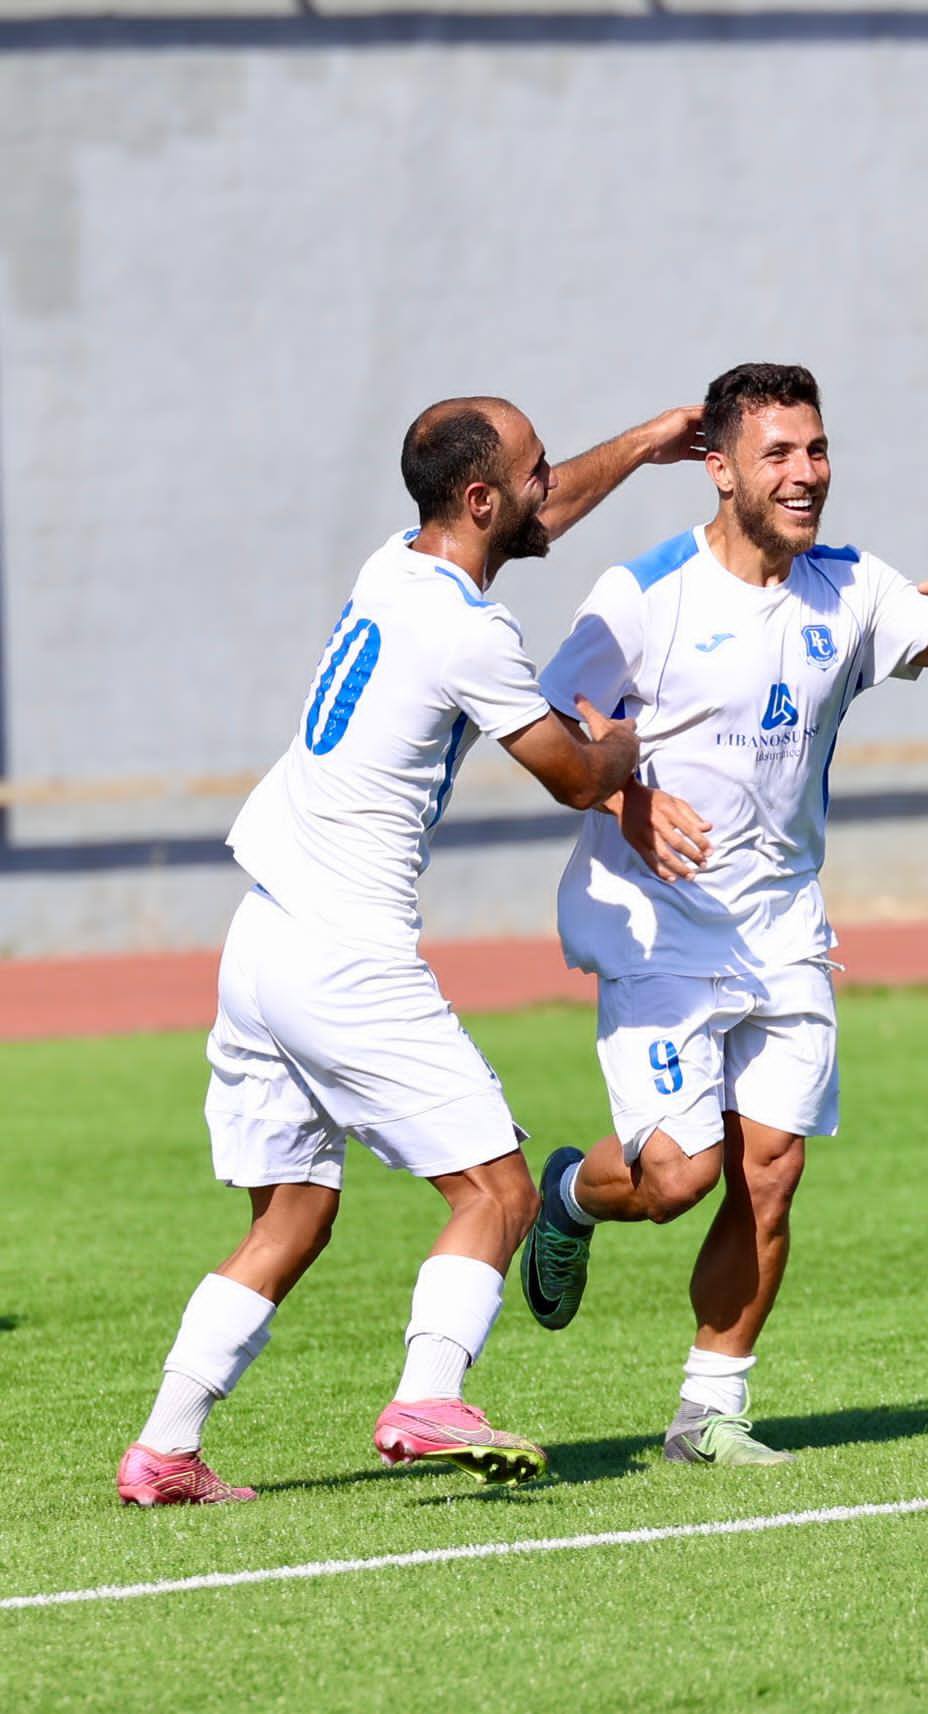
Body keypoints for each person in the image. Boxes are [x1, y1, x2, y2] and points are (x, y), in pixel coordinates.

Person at [118, 395, 705, 1504]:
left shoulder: (397, 564)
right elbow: (576, 776)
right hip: (345, 953)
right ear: (478, 498)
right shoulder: (468, 632)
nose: (548, 485)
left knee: (294, 1212)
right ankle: (429, 1396)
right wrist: (633, 737)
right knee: (499, 1192)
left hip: (262, 938)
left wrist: (642, 445)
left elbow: (536, 519)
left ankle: (165, 1448)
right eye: (533, 470)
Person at [521, 361, 928, 1466]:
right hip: (658, 926)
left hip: (786, 928)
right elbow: (546, 725)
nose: (807, 474)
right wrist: (623, 796)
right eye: (779, 454)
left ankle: (709, 1413)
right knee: (679, 1177)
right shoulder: (645, 594)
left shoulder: (851, 588)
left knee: (770, 1170)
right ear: (719, 469)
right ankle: (568, 1194)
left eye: (817, 449)